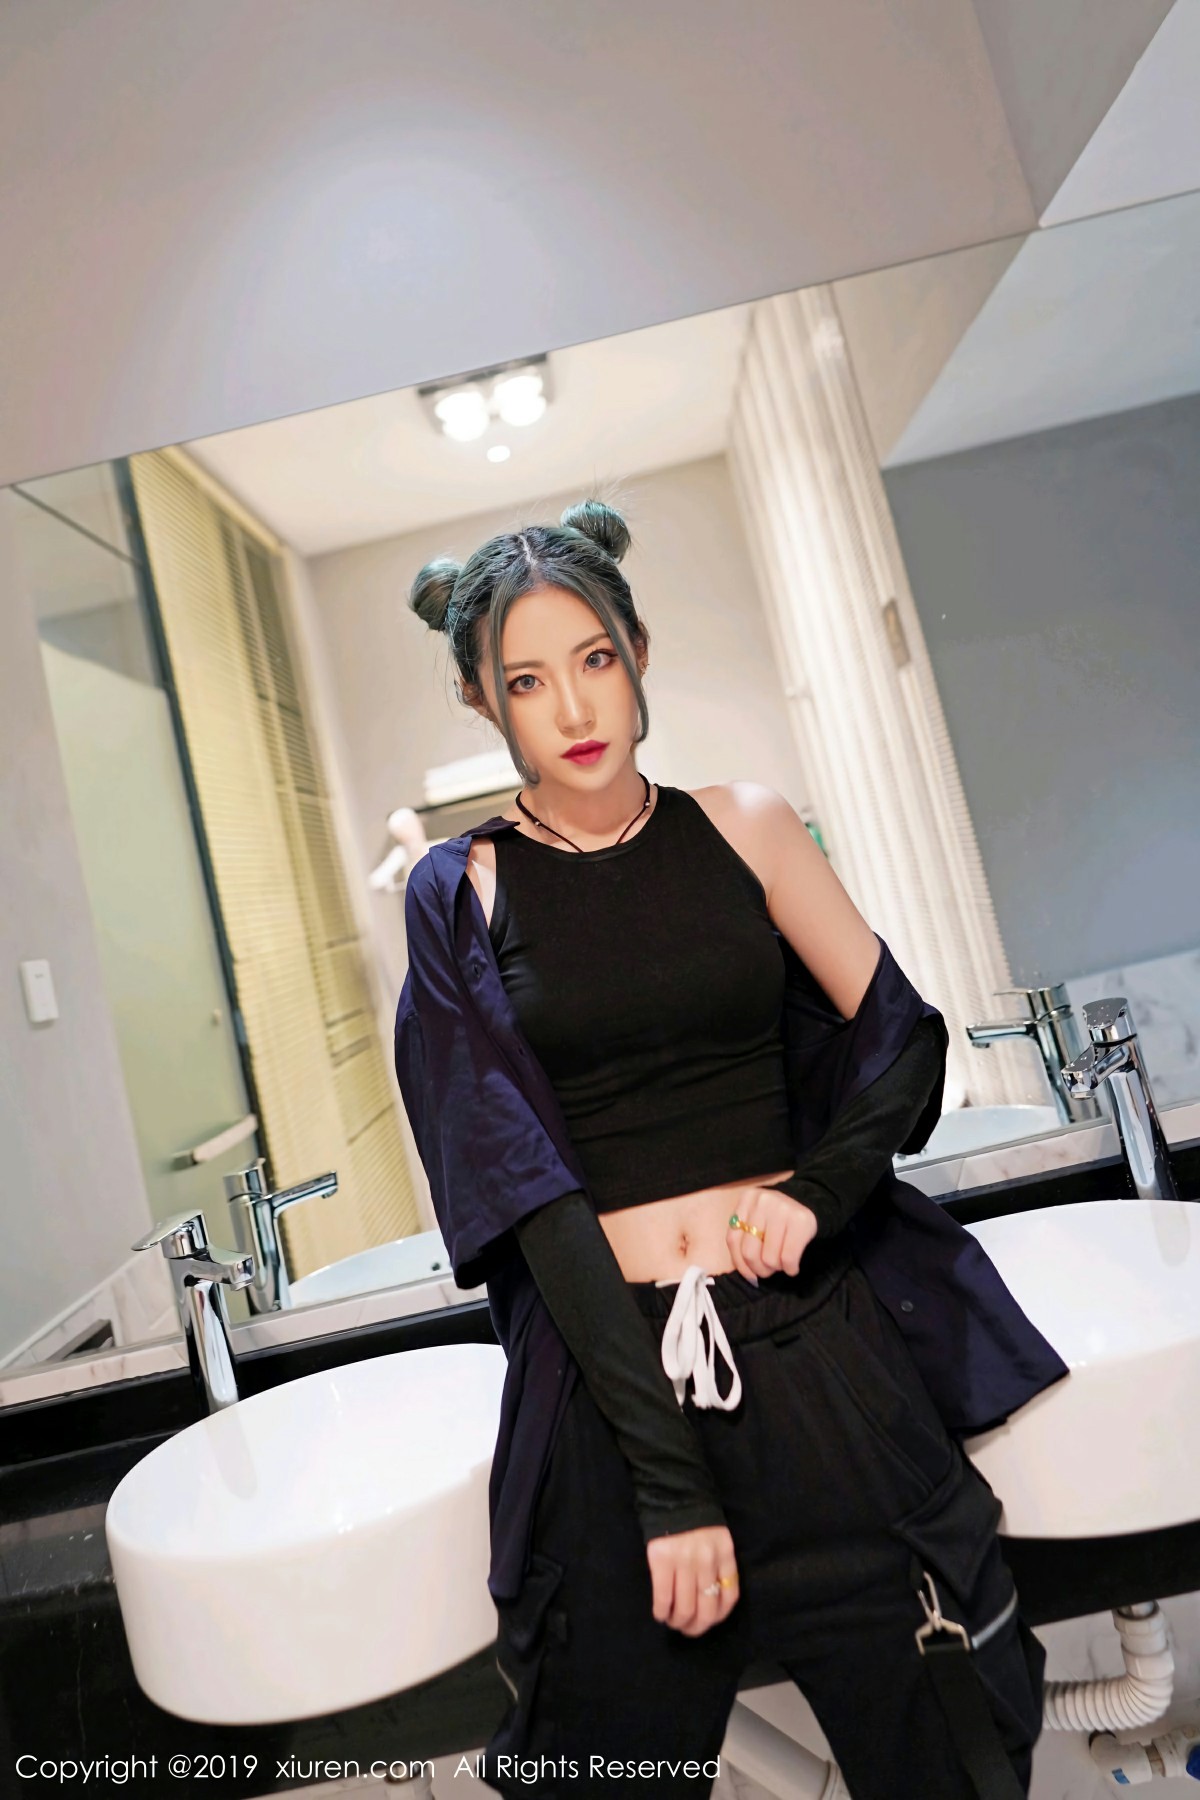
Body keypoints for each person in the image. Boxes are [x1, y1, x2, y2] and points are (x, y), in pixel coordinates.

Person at [394, 500, 1066, 1799]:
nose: (573, 706)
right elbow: (521, 1189)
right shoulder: (459, 891)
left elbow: (905, 1039)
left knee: (949, 1750)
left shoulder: (746, 825)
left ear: (639, 648)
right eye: (526, 681)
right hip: (614, 1393)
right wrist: (670, 1485)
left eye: (595, 657)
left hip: (820, 1358)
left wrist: (818, 1193)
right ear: (482, 701)